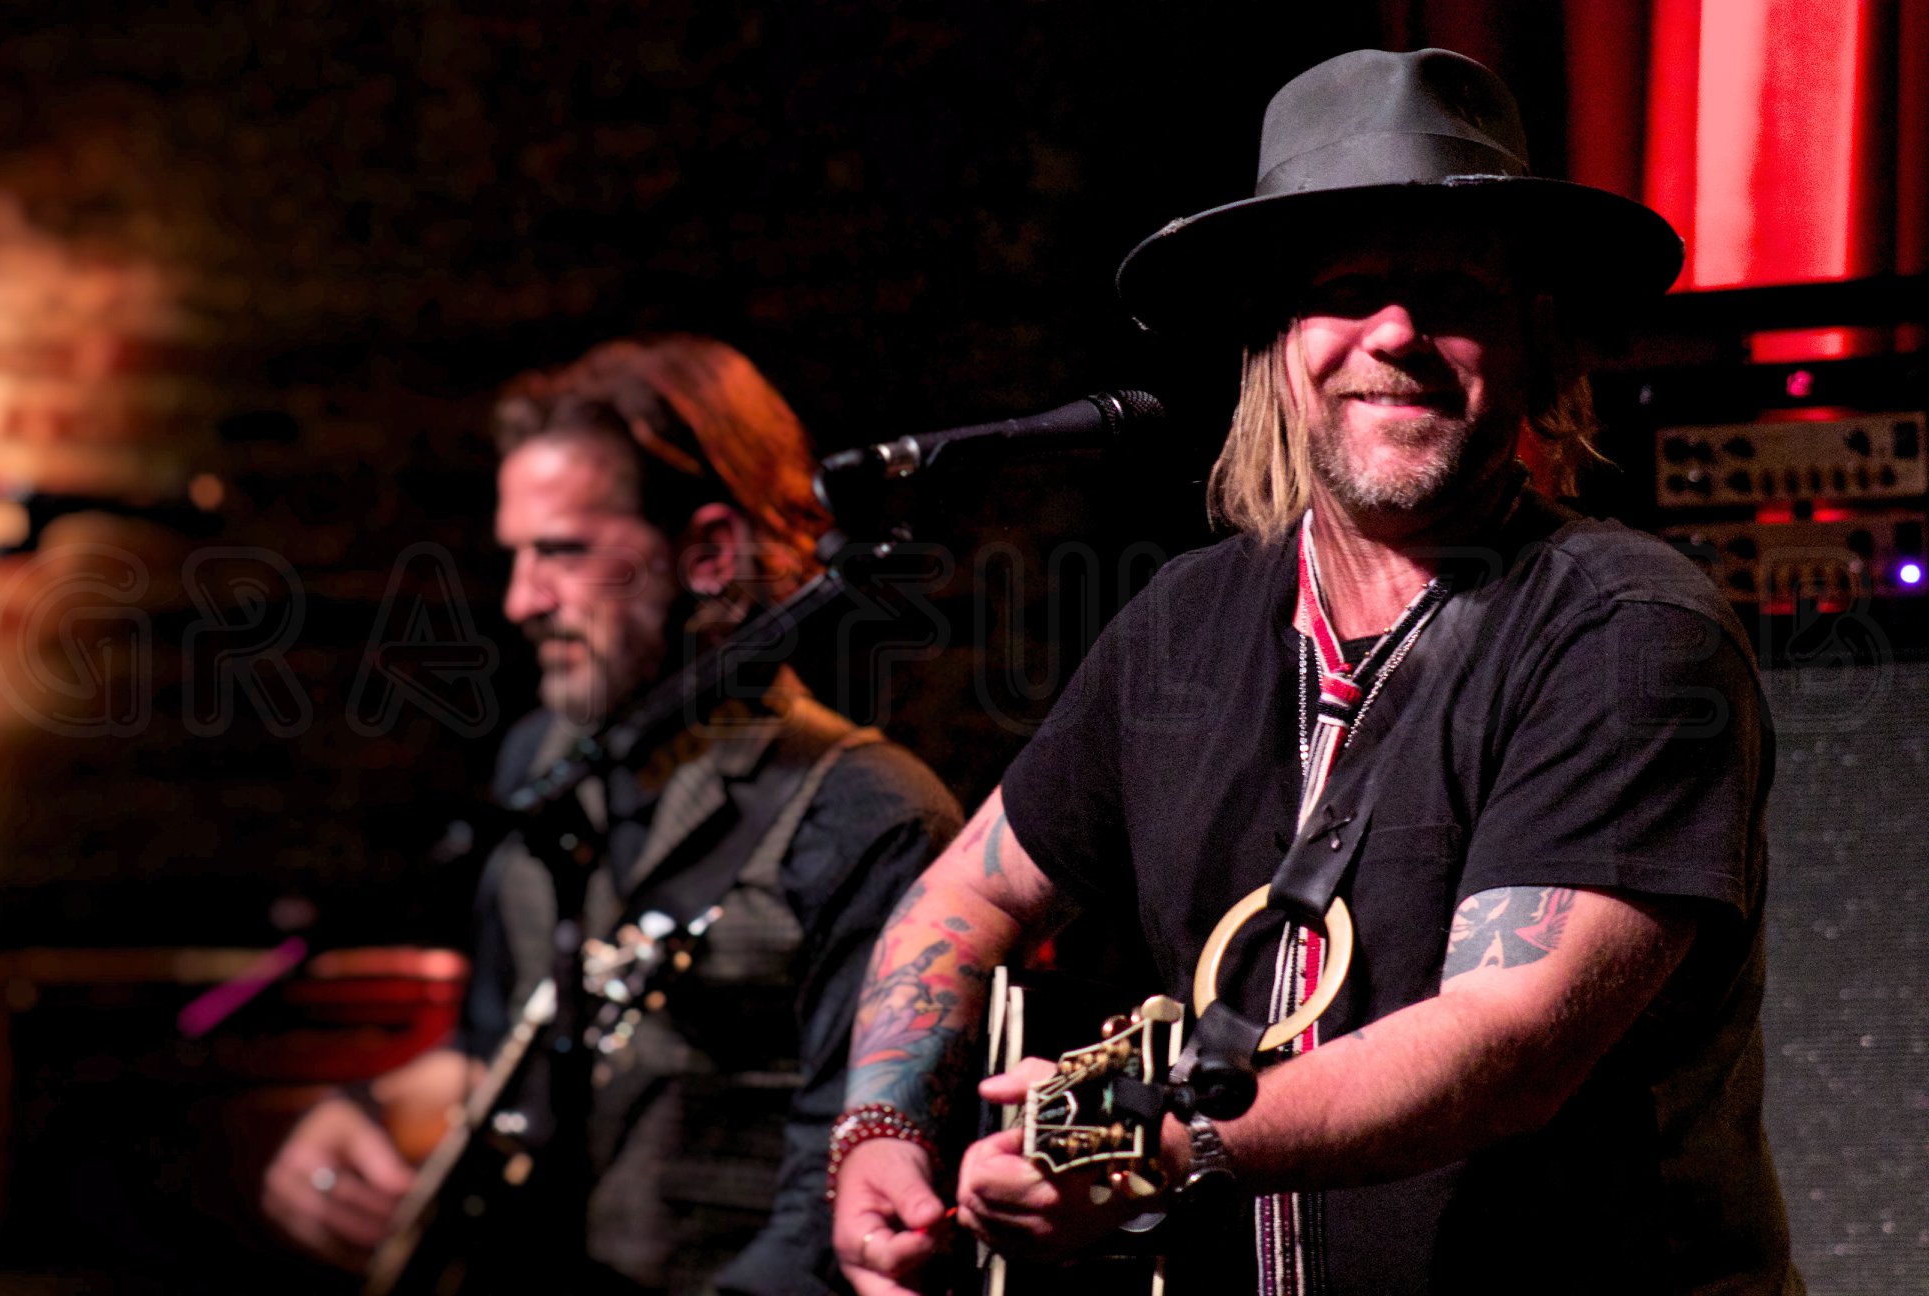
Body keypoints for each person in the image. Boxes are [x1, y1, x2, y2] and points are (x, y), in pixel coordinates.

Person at [829, 48, 1799, 1295]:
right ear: (1276, 343)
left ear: (1533, 338)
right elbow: (959, 904)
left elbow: (1501, 1047)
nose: (1396, 333)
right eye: (1348, 290)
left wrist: (1146, 1145)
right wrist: (881, 1138)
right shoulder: (1185, 624)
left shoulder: (1631, 635)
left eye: (1450, 289)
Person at [263, 334, 961, 1294]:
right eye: (516, 555)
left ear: (709, 551)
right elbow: (500, 1042)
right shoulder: (542, 760)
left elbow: (837, 1210)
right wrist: (364, 1111)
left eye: (562, 552)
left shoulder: (867, 813)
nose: (521, 600)